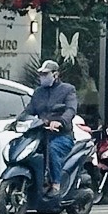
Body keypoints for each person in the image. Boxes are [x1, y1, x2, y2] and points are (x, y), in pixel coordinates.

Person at [25, 58, 78, 200]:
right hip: (40, 134)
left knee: (53, 149)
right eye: (41, 74)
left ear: (56, 74)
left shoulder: (68, 90)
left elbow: (71, 110)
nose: (42, 77)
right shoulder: (38, 93)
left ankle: (56, 184)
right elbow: (29, 111)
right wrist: (16, 121)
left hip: (61, 136)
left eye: (46, 74)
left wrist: (60, 121)